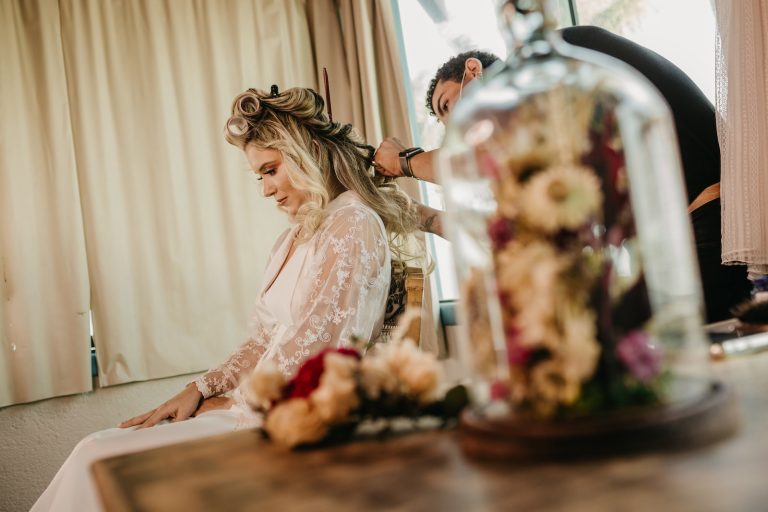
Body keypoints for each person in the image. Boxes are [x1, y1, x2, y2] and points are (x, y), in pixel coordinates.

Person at [32, 86, 420, 512]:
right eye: (260, 175)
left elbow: (318, 351)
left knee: (100, 459)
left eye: (271, 170)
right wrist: (199, 389)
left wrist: (233, 401)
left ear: (309, 150)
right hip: (256, 405)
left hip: (292, 419)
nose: (266, 190)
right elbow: (262, 339)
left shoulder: (353, 224)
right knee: (95, 450)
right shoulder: (294, 237)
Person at [373, 25, 751, 322]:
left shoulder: (544, 64)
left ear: (474, 70)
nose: (455, 125)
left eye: (447, 106)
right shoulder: (547, 124)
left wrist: (405, 161)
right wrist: (422, 218)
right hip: (691, 236)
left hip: (709, 227)